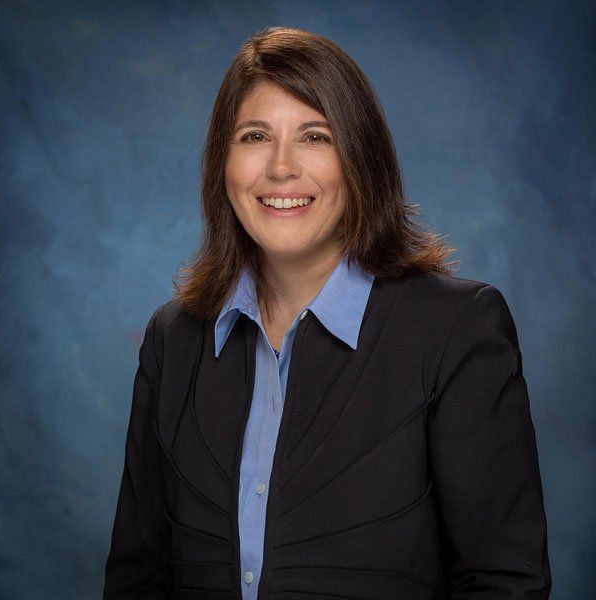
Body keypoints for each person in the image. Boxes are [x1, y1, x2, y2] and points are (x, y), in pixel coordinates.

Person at [103, 26, 551, 599]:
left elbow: (504, 582)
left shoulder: (456, 330)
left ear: (359, 160)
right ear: (224, 161)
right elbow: (137, 579)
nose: (281, 168)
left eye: (315, 137)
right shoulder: (175, 338)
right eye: (255, 136)